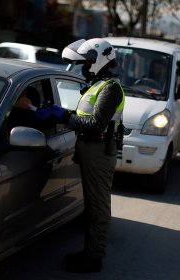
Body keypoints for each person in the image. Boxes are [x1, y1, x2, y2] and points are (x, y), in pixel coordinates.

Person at [49, 38, 125, 273]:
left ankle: (93, 258)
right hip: (91, 149)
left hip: (99, 150)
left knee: (98, 206)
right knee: (92, 204)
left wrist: (64, 117)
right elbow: (85, 114)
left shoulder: (110, 88)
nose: (83, 67)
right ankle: (90, 251)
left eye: (86, 62)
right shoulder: (97, 85)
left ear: (99, 60)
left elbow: (95, 124)